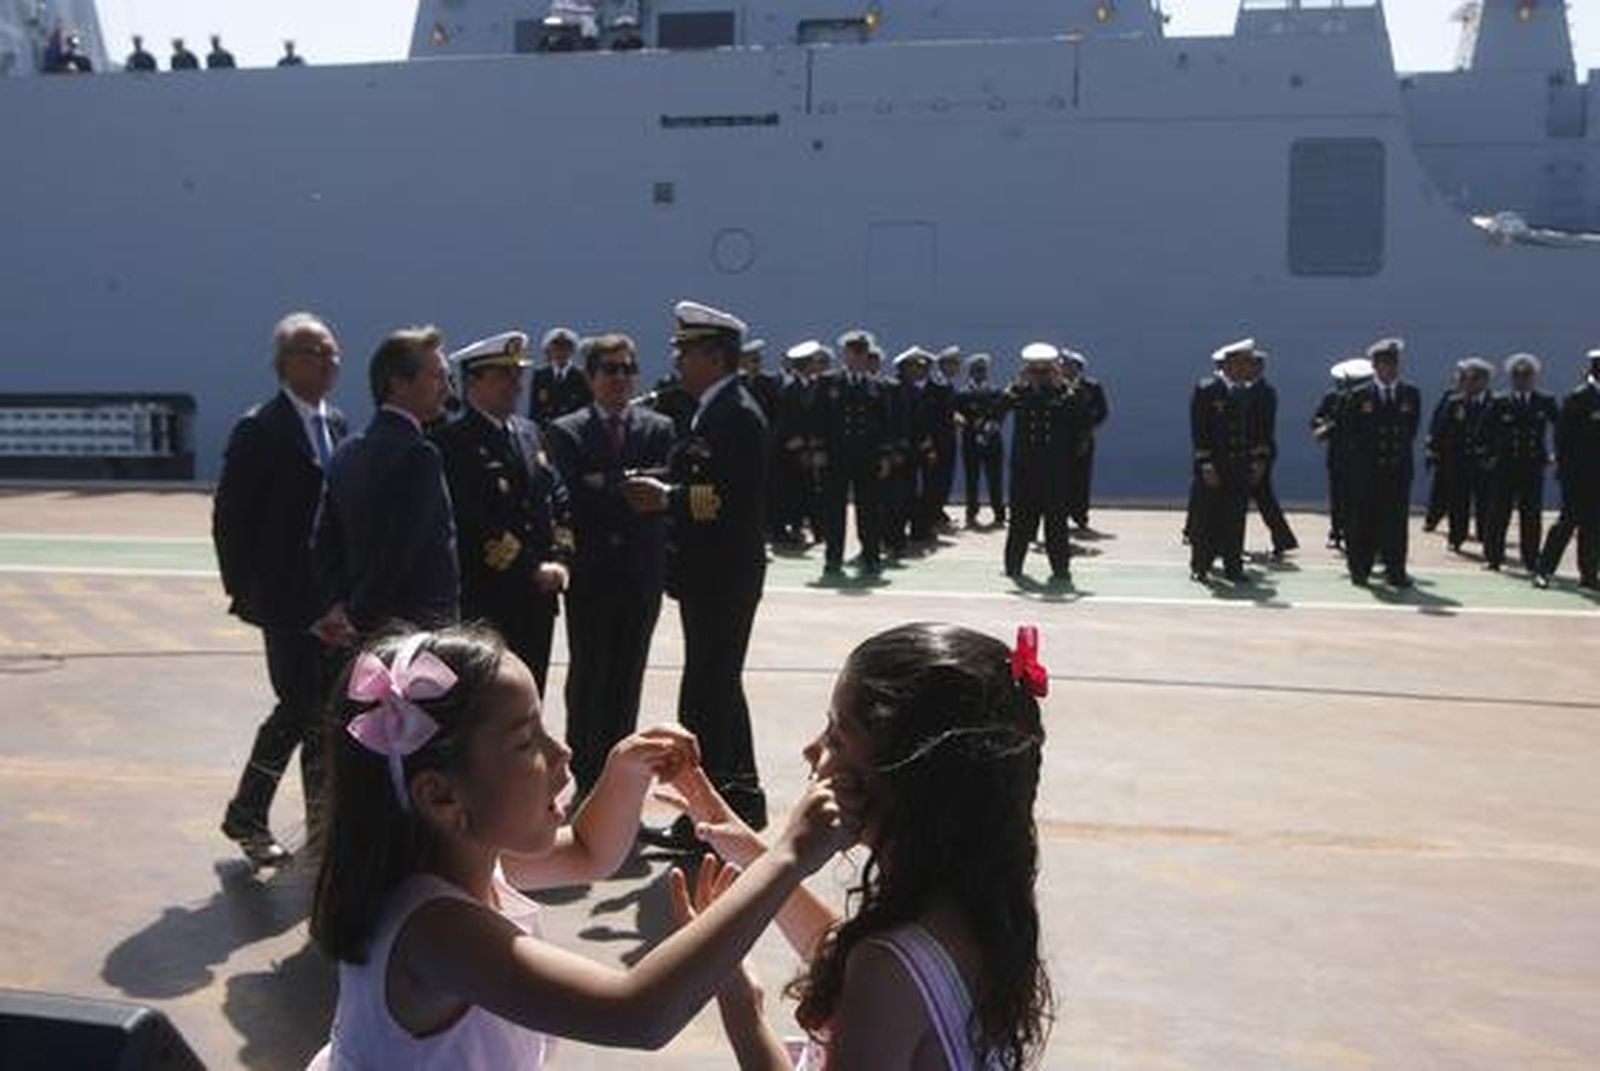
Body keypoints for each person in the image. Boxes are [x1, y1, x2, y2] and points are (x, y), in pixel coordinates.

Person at [307, 626, 857, 1069]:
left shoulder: (465, 859)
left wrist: (625, 770)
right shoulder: (436, 931)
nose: (562, 751)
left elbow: (592, 852)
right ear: (443, 796)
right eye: (526, 741)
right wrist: (786, 858)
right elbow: (637, 1013)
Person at [661, 622, 1054, 1070]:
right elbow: (841, 950)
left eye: (836, 736)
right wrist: (752, 853)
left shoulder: (883, 970)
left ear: (906, 779)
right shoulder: (972, 911)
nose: (811, 749)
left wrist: (742, 1011)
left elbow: (877, 969)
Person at [623, 301, 771, 842]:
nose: (678, 362)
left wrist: (668, 497)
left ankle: (703, 820)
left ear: (713, 356)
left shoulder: (735, 414)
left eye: (686, 353)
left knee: (706, 696)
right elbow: (701, 475)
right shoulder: (715, 409)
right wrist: (665, 482)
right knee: (720, 687)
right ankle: (743, 800)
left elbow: (731, 497)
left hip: (722, 573)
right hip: (714, 572)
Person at [212, 313, 347, 867]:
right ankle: (247, 812)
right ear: (285, 363)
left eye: (333, 352)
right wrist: (251, 596)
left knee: (324, 715)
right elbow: (231, 519)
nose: (329, 362)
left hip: (332, 601)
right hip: (286, 602)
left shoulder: (336, 423)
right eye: (315, 352)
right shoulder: (260, 428)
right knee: (298, 707)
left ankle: (321, 825)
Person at [545, 334, 674, 798]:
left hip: (640, 574)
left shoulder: (659, 427)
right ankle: (586, 778)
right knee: (589, 677)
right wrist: (630, 483)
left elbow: (666, 481)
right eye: (610, 369)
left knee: (627, 676)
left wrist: (605, 480)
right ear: (590, 376)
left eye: (628, 369)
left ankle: (618, 780)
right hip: (593, 575)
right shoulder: (567, 430)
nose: (621, 378)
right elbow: (572, 496)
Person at [434, 331, 572, 693]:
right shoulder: (454, 442)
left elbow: (556, 497)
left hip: (539, 596)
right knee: (488, 699)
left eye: (518, 374)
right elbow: (473, 520)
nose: (516, 384)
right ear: (473, 382)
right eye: (504, 375)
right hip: (490, 595)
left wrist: (560, 557)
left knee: (531, 693)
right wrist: (530, 567)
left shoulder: (529, 432)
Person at [314, 326, 459, 638]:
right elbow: (400, 551)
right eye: (437, 376)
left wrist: (338, 607)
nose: (447, 388)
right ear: (398, 382)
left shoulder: (346, 451)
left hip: (361, 629)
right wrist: (357, 615)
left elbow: (324, 542)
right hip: (414, 630)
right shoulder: (419, 454)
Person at [1342, 337, 1422, 588]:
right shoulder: (1359, 396)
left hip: (1397, 469)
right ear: (1375, 366)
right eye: (1384, 363)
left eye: (1393, 362)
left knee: (1396, 523)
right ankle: (1360, 569)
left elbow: (1410, 431)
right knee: (1364, 520)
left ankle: (1395, 571)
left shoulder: (1410, 394)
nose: (1390, 368)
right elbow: (1350, 433)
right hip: (1368, 471)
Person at [817, 330, 893, 576]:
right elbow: (818, 418)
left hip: (867, 455)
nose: (858, 357)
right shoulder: (828, 382)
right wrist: (818, 449)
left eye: (862, 352)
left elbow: (885, 423)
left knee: (869, 508)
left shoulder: (877, 386)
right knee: (833, 508)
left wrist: (885, 456)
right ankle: (833, 557)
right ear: (845, 354)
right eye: (853, 352)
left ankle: (871, 555)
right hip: (836, 455)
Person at [1005, 344, 1080, 582]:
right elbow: (995, 410)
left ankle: (1060, 568)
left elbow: (1082, 418)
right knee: (1020, 520)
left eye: (1045, 371)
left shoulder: (1064, 394)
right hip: (1024, 469)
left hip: (1053, 469)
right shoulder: (1019, 393)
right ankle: (1013, 566)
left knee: (1056, 521)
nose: (1039, 376)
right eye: (1034, 371)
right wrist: (1017, 385)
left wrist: (1062, 385)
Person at [1187, 339, 1258, 583]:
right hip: (1214, 466)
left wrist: (1254, 461)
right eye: (1244, 363)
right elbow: (1199, 430)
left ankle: (1233, 567)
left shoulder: (1246, 392)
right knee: (1206, 517)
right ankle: (1201, 565)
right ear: (1230, 364)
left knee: (1235, 518)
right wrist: (1206, 463)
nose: (1248, 368)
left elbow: (1250, 430)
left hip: (1238, 466)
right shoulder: (1207, 389)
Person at [1482, 353, 1559, 572]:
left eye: (1527, 374)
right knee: (1499, 513)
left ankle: (1531, 559)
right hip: (1505, 465)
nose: (1522, 379)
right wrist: (1488, 457)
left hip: (1532, 465)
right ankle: (1494, 557)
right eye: (1517, 374)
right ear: (1511, 377)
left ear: (1534, 377)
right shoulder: (1500, 401)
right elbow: (1483, 431)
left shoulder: (1545, 401)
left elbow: (1562, 428)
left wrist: (1556, 455)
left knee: (1531, 515)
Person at [1534, 349, 1600, 590]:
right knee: (1567, 523)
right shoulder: (1579, 397)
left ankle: (1589, 574)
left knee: (1594, 526)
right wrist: (1566, 471)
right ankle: (1544, 570)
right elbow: (1563, 438)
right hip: (1578, 475)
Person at [1427, 357, 1495, 553]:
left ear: (1484, 380)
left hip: (1484, 462)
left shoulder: (1495, 403)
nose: (1467, 383)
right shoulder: (1454, 402)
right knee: (1458, 502)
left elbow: (1501, 433)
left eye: (1473, 378)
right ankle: (1456, 537)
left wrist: (1494, 455)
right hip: (1459, 461)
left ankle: (1486, 537)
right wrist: (1434, 449)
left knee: (1485, 502)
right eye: (1465, 378)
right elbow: (1441, 428)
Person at [1238, 347, 1297, 559]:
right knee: (1263, 499)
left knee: (1246, 500)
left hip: (1256, 454)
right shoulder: (1244, 389)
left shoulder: (1265, 392)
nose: (1243, 368)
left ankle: (1232, 544)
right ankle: (1283, 539)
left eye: (1248, 364)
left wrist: (1260, 460)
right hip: (1246, 453)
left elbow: (1263, 427)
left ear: (1258, 368)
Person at [1311, 357, 1372, 551]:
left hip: (1362, 458)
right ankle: (1337, 532)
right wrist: (1325, 426)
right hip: (1338, 455)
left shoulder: (1370, 399)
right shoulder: (1332, 398)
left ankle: (1360, 533)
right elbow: (1317, 420)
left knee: (1361, 497)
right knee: (1338, 496)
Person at [956, 353, 1008, 529]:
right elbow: (954, 411)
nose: (979, 373)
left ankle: (999, 514)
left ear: (987, 372)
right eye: (976, 370)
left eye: (982, 370)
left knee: (995, 479)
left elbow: (1001, 413)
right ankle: (971, 513)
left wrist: (992, 425)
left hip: (992, 441)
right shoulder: (962, 393)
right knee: (972, 479)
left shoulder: (996, 392)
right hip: (970, 441)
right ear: (970, 372)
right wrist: (958, 418)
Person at [1059, 350, 1108, 532]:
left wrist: (1088, 428)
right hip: (1061, 439)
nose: (1063, 368)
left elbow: (1102, 411)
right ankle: (1061, 514)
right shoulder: (1058, 386)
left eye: (1067, 365)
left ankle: (1080, 515)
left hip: (1083, 438)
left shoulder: (1092, 387)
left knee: (1082, 478)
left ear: (1077, 367)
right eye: (1063, 365)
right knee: (1061, 478)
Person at [527, 327, 592, 427]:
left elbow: (587, 407)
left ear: (572, 351)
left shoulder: (581, 375)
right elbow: (534, 408)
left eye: (565, 349)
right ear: (549, 351)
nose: (560, 353)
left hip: (573, 429)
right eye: (556, 349)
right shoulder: (540, 375)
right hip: (545, 429)